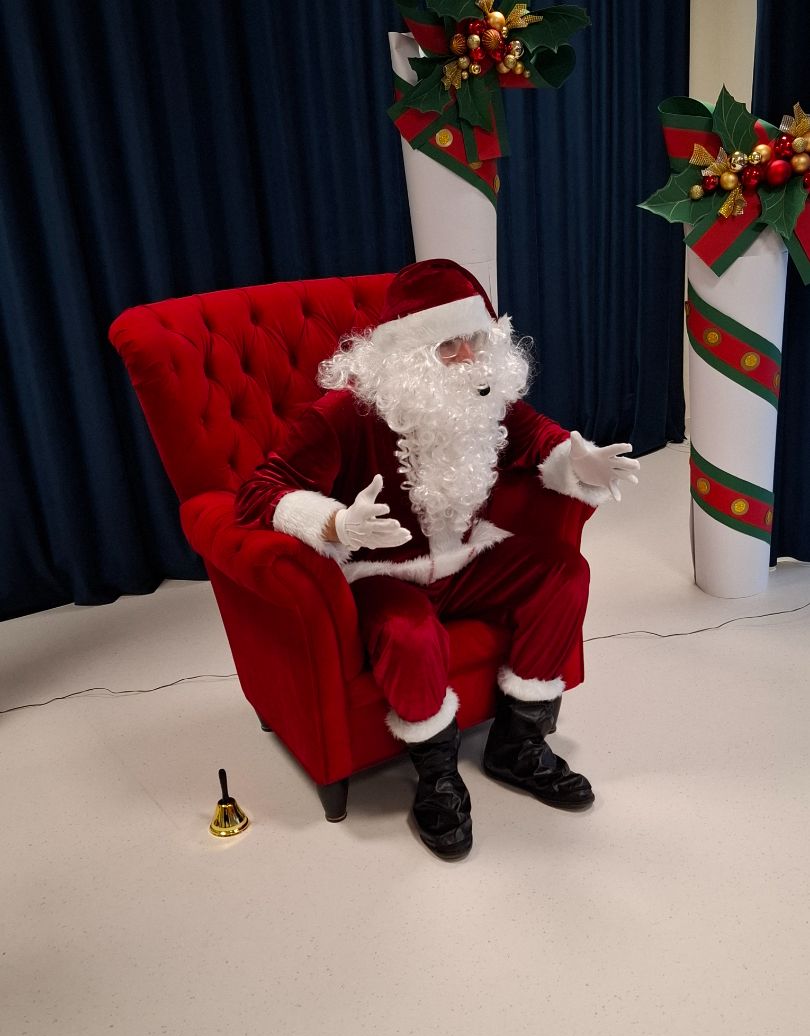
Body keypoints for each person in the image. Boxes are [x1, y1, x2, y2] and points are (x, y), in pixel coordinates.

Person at [236, 259, 640, 859]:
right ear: (409, 357)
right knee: (410, 636)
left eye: (475, 339)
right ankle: (438, 776)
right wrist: (336, 524)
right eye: (449, 346)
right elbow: (258, 491)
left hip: (468, 561)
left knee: (564, 573)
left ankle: (519, 744)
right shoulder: (346, 413)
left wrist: (575, 459)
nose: (468, 358)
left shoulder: (483, 395)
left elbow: (536, 435)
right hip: (386, 573)